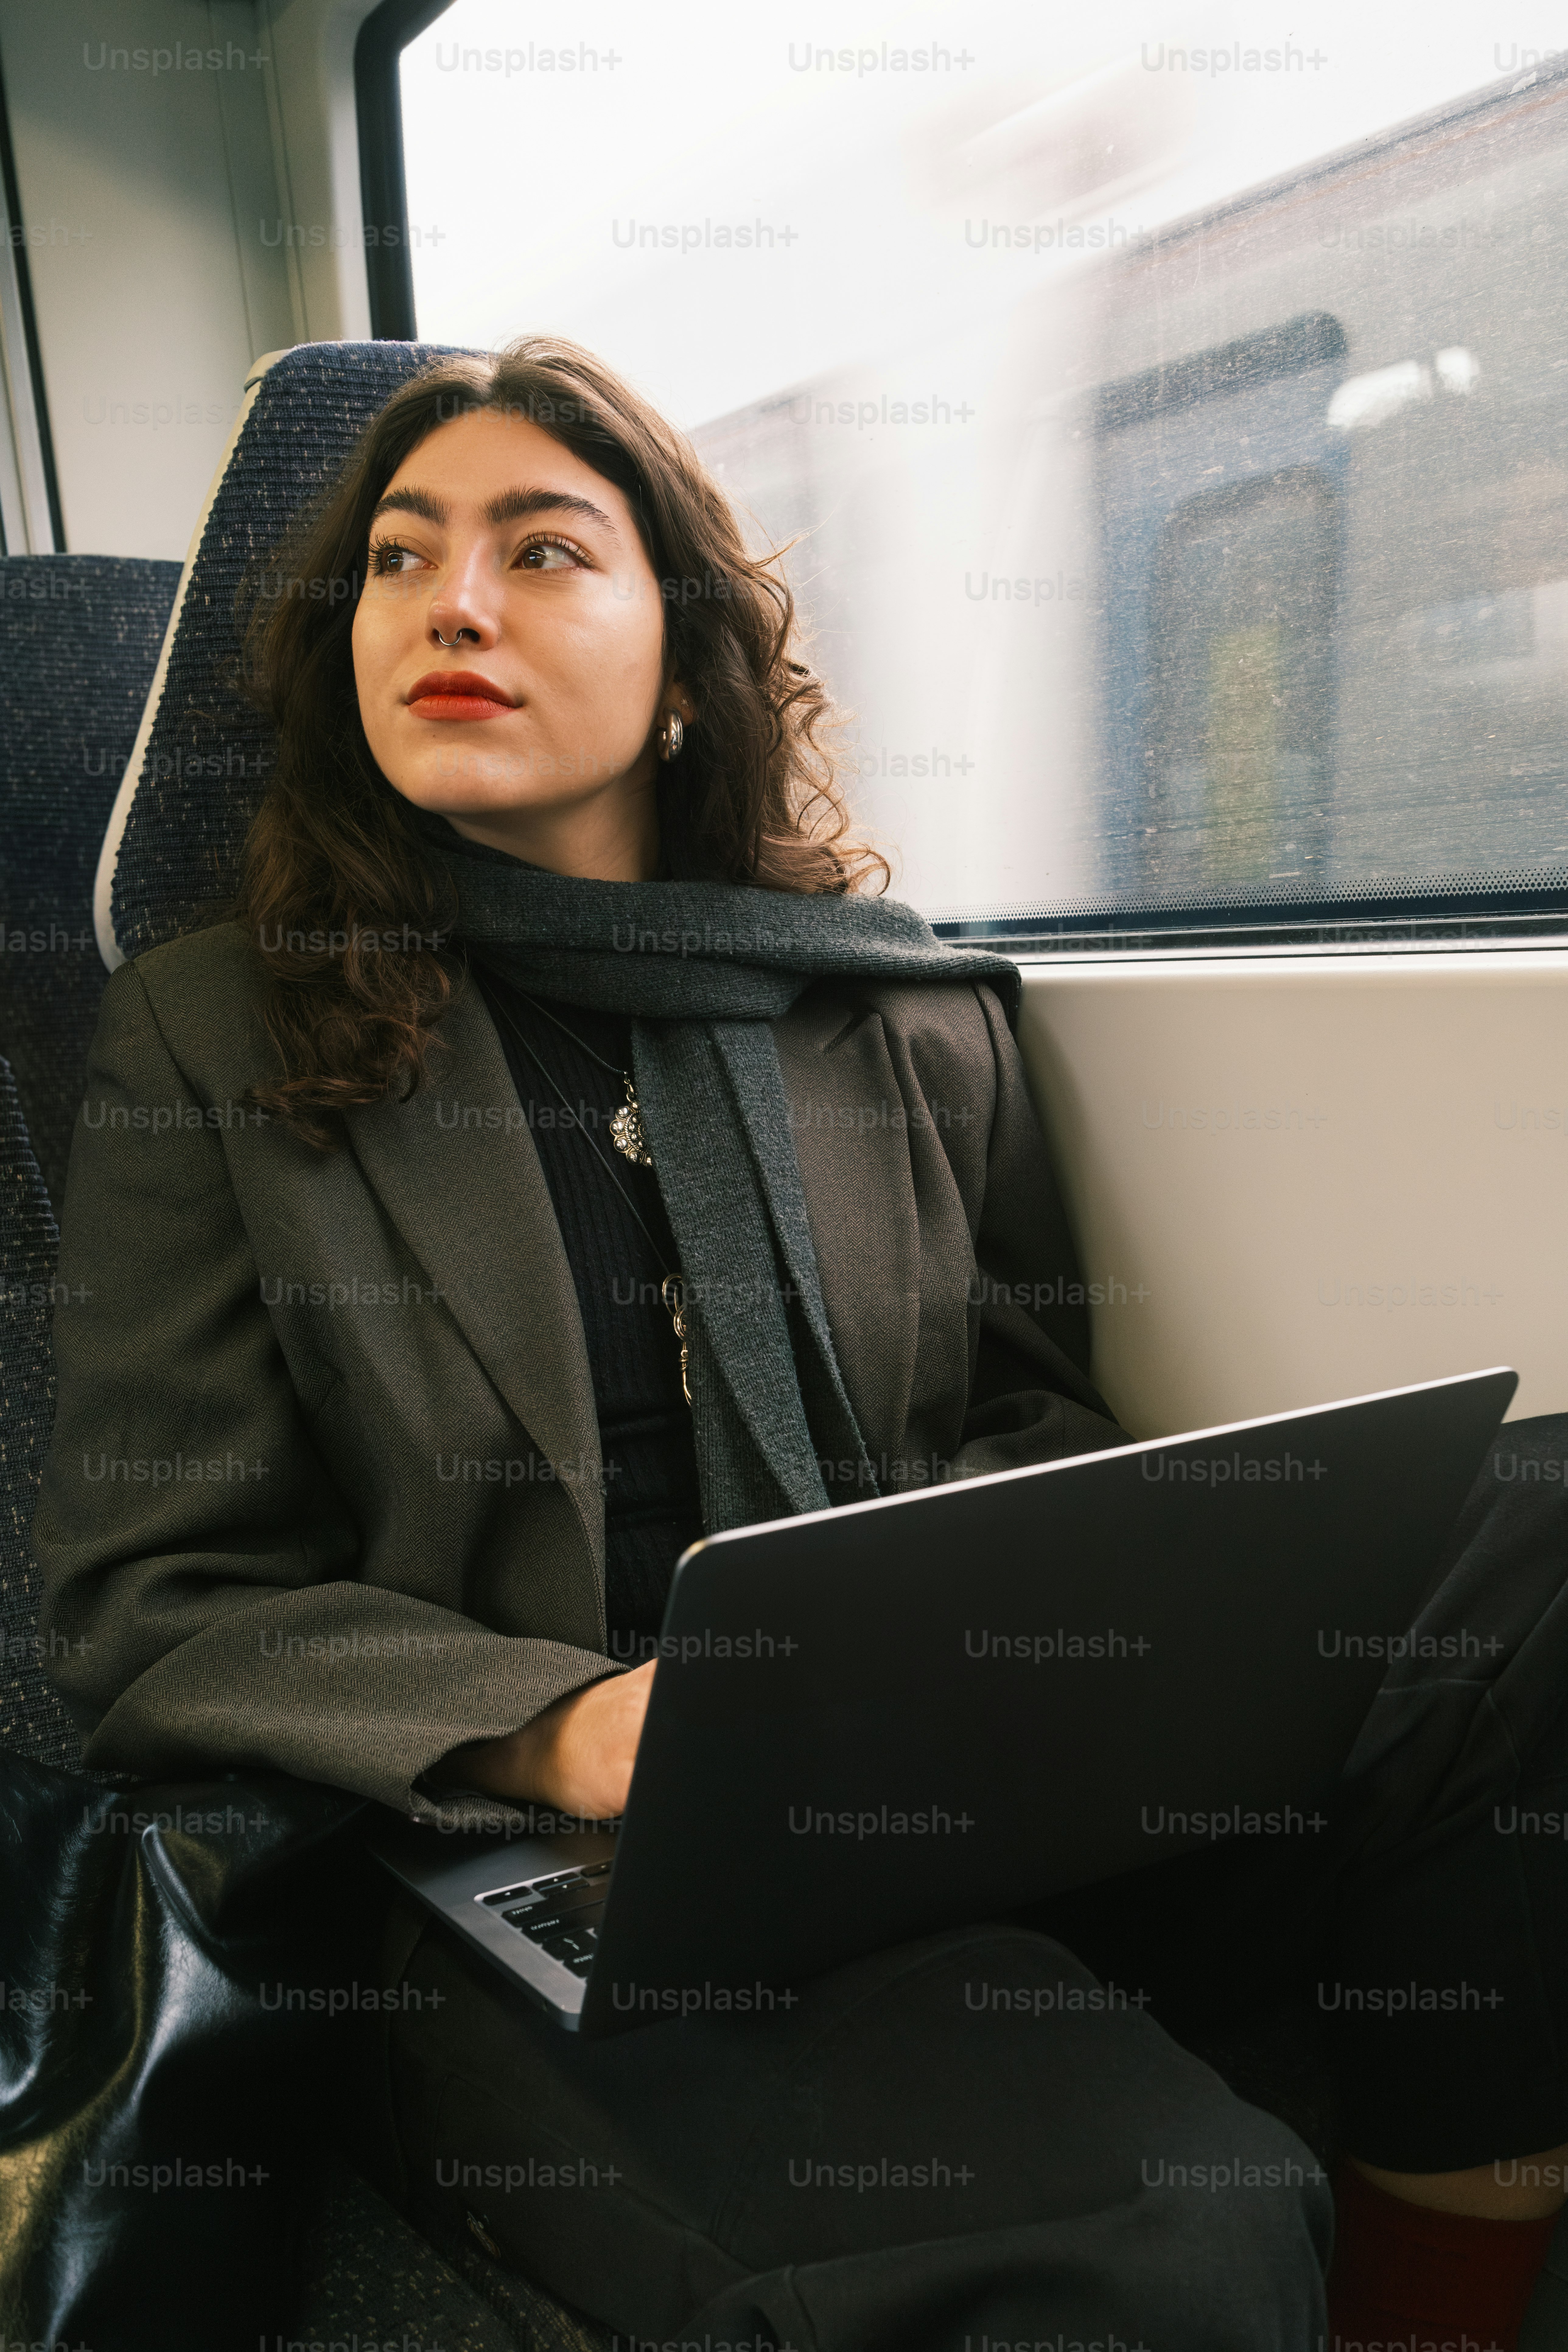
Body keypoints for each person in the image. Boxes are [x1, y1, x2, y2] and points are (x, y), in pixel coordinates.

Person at [33, 335, 1568, 2350]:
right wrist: (564, 1723)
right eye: (396, 566)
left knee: (1533, 1543)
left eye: (542, 550)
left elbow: (1027, 1405)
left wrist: (1026, 1630)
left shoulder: (895, 1010)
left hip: (936, 1737)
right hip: (516, 1849)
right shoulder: (221, 1037)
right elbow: (160, 1601)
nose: (450, 605)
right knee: (1173, 2231)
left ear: (683, 667)